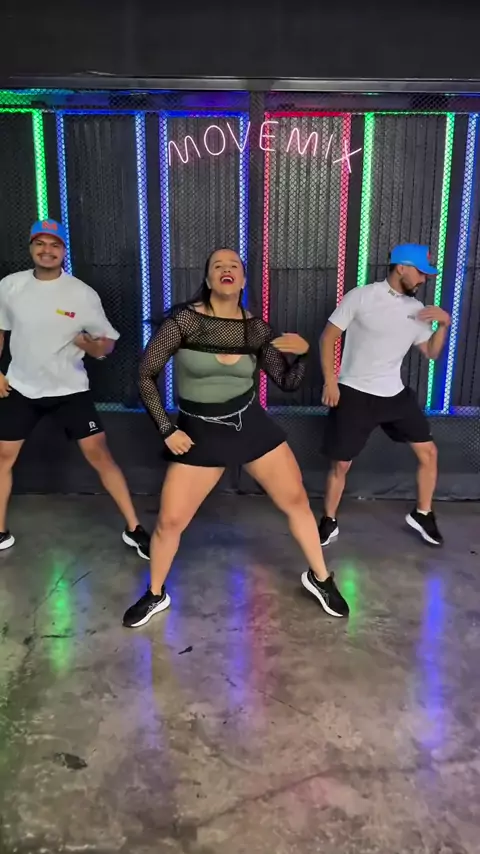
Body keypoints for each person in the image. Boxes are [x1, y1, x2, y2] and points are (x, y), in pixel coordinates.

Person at [122, 248, 349, 628]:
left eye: (234, 266)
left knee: (296, 501)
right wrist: (167, 429)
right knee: (170, 521)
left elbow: (288, 382)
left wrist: (306, 354)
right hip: (198, 432)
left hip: (249, 424)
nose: (226, 270)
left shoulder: (256, 330)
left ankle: (321, 578)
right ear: (208, 279)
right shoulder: (185, 322)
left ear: (243, 280)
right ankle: (156, 593)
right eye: (218, 265)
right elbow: (145, 375)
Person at [0, 219, 150, 558]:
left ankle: (134, 529)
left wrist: (94, 347)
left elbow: (107, 343)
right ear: (31, 248)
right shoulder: (10, 286)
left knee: (100, 455)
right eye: (40, 244)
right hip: (21, 387)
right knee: (2, 458)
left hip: (70, 390)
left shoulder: (81, 294)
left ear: (63, 251)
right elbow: (0, 330)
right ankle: (0, 532)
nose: (47, 250)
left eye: (54, 245)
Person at [319, 243, 451, 548]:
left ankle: (423, 514)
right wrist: (330, 382)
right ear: (401, 268)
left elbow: (431, 352)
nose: (423, 279)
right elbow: (328, 337)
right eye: (420, 272)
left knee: (429, 453)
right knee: (341, 465)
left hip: (394, 395)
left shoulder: (417, 310)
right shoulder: (361, 296)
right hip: (355, 392)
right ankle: (329, 519)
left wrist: (444, 324)